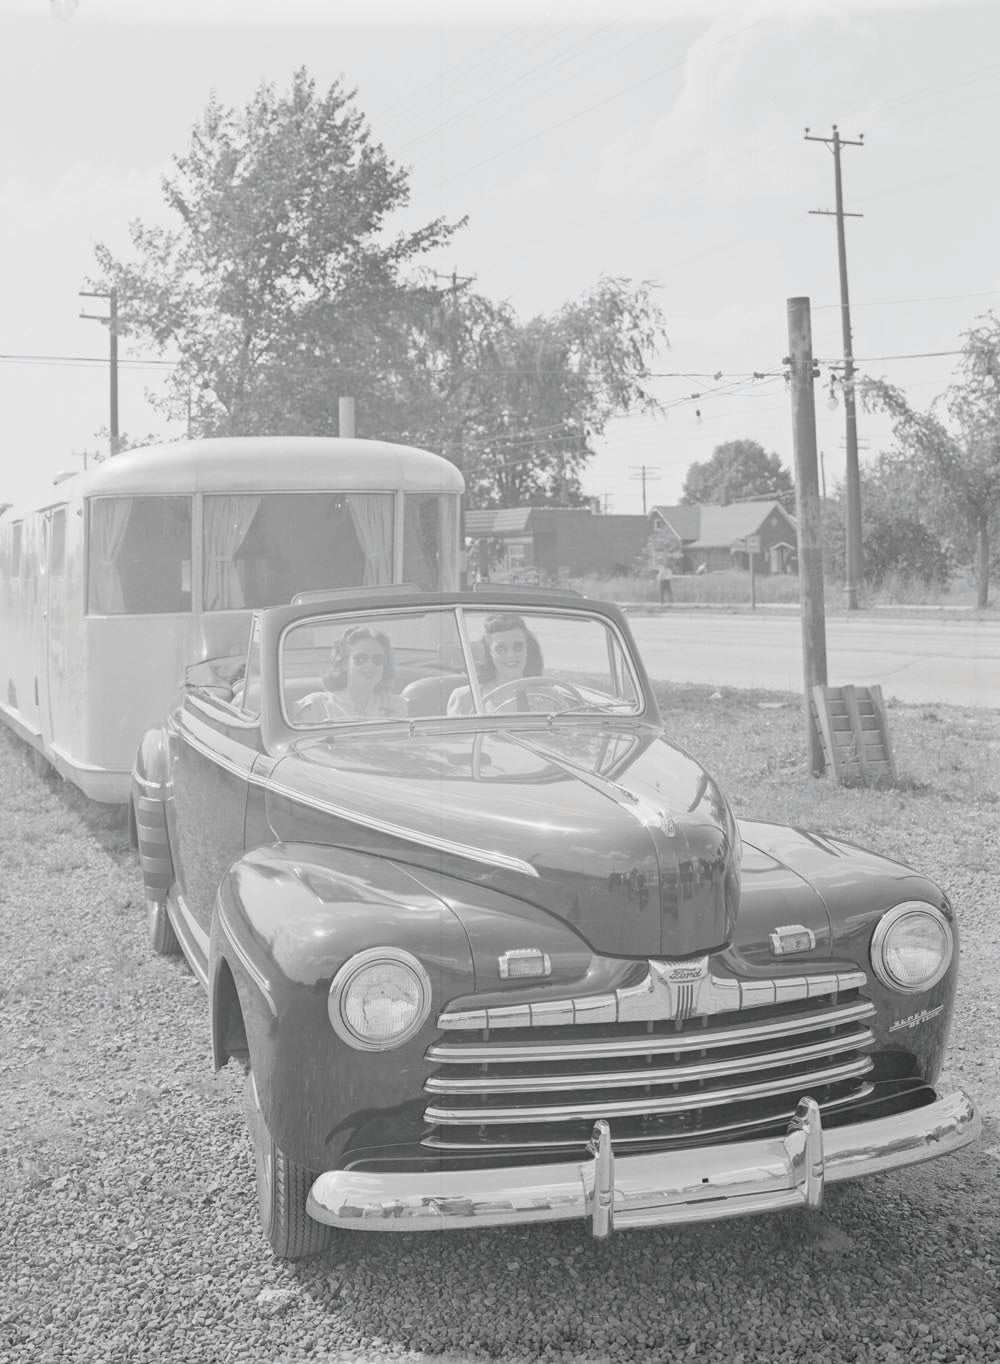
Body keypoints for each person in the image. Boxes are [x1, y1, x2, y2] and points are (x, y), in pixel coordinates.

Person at [294, 626, 406, 722]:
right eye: (361, 659)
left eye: (377, 660)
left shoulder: (398, 705)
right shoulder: (317, 705)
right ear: (344, 663)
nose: (370, 665)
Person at [447, 613, 544, 715]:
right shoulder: (466, 698)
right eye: (500, 649)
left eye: (518, 647)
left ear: (528, 649)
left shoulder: (553, 696)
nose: (510, 655)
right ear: (489, 653)